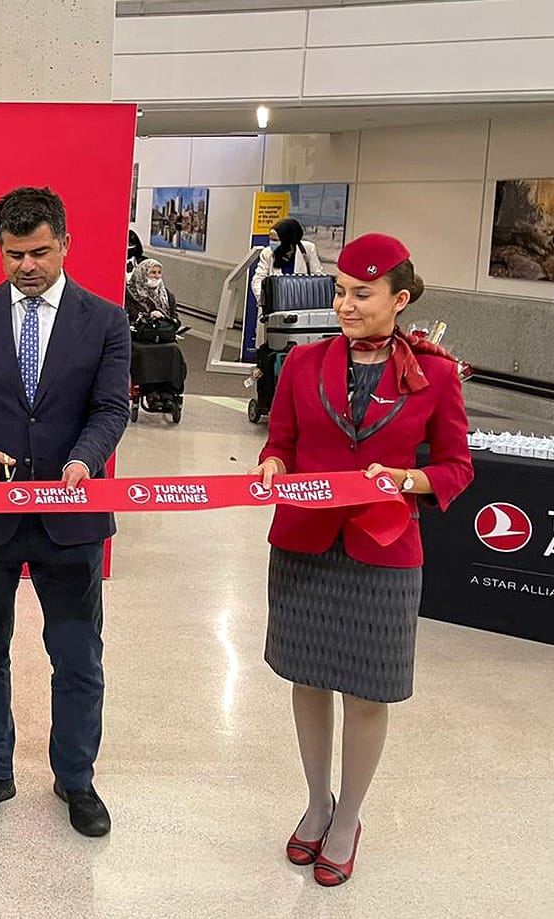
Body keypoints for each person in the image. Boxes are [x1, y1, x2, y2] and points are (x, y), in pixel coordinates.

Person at [251, 233, 473, 887]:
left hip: (384, 550)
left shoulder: (435, 375)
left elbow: (456, 467)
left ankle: (348, 817)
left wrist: (406, 480)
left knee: (367, 689)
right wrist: (272, 464)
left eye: (362, 294)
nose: (346, 305)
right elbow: (281, 440)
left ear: (400, 299)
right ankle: (317, 802)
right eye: (341, 292)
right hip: (304, 544)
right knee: (308, 677)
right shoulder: (302, 363)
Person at [0, 186, 130, 835]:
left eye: (40, 252)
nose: (27, 265)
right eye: (14, 254)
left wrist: (85, 460)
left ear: (65, 243)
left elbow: (111, 408)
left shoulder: (105, 320)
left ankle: (76, 779)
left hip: (72, 519)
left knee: (77, 656)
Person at [252, 217, 324, 305]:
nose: (271, 243)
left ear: (287, 240)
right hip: (275, 304)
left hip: (301, 303)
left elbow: (318, 277)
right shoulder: (267, 253)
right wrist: (267, 300)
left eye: (275, 240)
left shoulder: (308, 249)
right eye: (270, 239)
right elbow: (258, 279)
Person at [124, 257, 179, 326]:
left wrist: (165, 318)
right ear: (143, 274)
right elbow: (130, 316)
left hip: (164, 330)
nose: (157, 276)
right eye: (153, 272)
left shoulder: (168, 295)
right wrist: (149, 316)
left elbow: (175, 319)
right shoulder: (130, 293)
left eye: (159, 272)